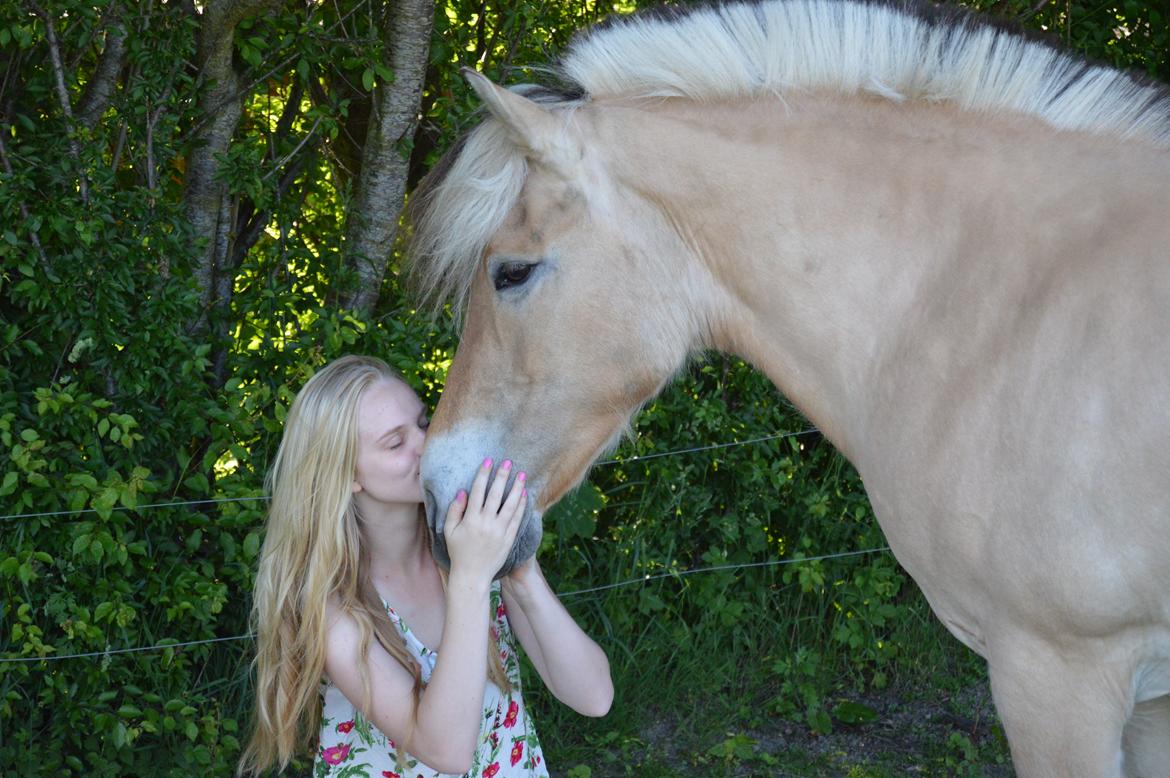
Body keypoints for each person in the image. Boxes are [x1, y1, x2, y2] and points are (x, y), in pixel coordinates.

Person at [239, 355, 613, 777]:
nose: (426, 442)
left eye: (422, 423)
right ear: (345, 474)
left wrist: (519, 572)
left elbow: (594, 697)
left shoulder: (464, 544)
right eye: (395, 443)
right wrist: (471, 580)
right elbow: (446, 751)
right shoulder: (333, 606)